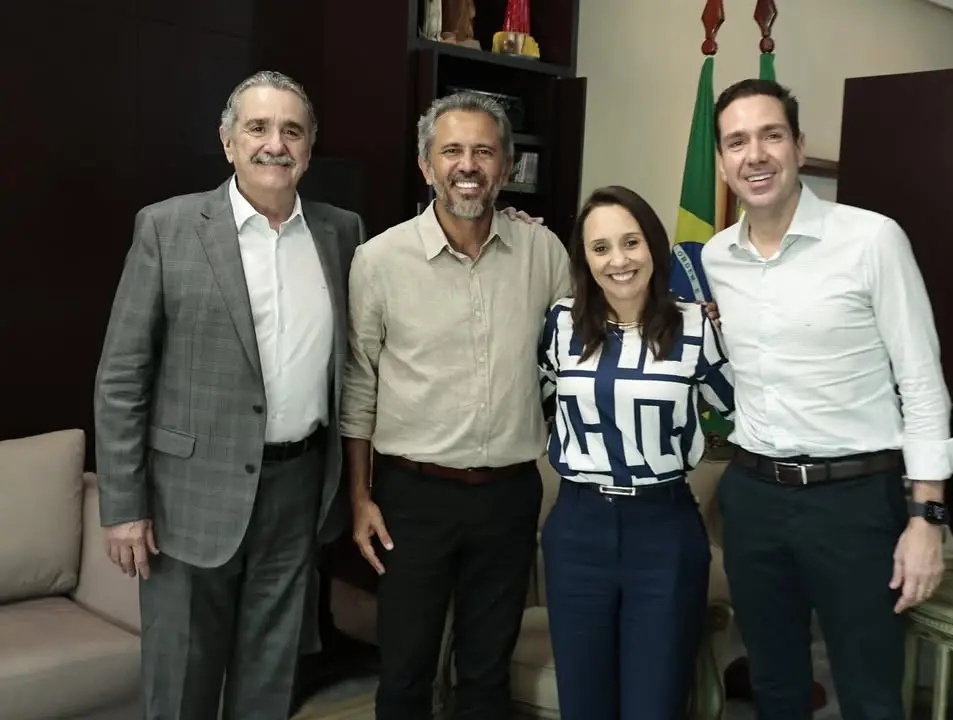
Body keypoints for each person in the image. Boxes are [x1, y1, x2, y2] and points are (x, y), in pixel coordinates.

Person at [93, 70, 364, 720]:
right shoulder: (168, 228)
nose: (276, 143)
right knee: (182, 682)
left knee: (270, 682)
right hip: (187, 502)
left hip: (297, 494)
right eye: (259, 128)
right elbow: (122, 376)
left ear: (309, 146)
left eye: (292, 130)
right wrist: (122, 506)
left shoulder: (343, 233)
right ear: (227, 142)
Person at [701, 78, 953, 720]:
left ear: (798, 144)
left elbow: (924, 383)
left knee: (870, 694)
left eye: (771, 135)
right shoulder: (717, 257)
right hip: (756, 499)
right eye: (737, 142)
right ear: (721, 159)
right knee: (775, 687)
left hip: (855, 503)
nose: (755, 155)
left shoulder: (872, 240)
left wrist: (925, 521)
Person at [340, 90, 571, 720]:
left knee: (487, 670)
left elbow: (578, 355)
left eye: (483, 151)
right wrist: (360, 499)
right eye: (452, 151)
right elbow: (358, 386)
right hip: (411, 499)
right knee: (406, 669)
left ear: (506, 165)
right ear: (427, 166)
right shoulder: (379, 260)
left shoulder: (544, 253)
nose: (467, 165)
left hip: (509, 494)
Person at [538, 185, 735, 720]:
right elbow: (537, 402)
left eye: (632, 242)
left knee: (655, 703)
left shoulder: (696, 326)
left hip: (664, 529)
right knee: (584, 703)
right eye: (600, 248)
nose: (618, 260)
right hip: (578, 528)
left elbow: (743, 411)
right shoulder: (559, 324)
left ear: (654, 246)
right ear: (585, 259)